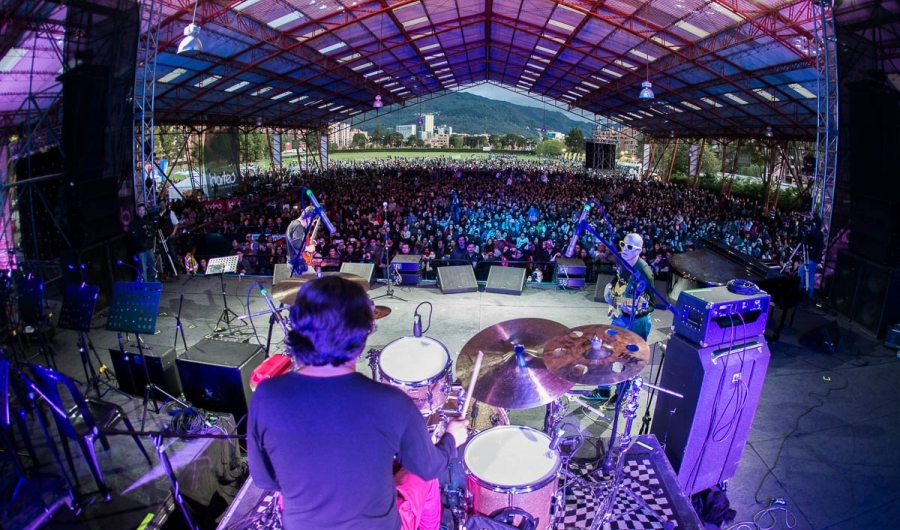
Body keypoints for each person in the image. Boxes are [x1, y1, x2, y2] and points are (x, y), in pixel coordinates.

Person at [248, 276, 469, 530]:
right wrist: (451, 438)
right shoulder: (392, 403)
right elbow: (430, 467)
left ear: (297, 328)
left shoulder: (266, 395)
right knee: (423, 477)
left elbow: (266, 479)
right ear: (364, 332)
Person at [589, 233, 655, 409]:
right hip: (620, 317)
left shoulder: (644, 273)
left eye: (630, 247)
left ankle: (621, 395)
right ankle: (603, 390)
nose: (624, 249)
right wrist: (609, 290)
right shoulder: (623, 262)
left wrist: (633, 307)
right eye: (623, 244)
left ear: (639, 251)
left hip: (638, 322)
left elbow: (651, 304)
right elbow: (616, 282)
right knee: (606, 351)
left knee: (629, 360)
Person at [285, 205, 316, 276]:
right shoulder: (298, 226)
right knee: (315, 282)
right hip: (297, 264)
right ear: (309, 218)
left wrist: (308, 242)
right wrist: (309, 248)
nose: (312, 224)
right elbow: (297, 245)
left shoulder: (294, 223)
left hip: (294, 262)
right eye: (313, 221)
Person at [129, 203, 156, 282]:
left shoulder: (148, 220)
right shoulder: (134, 222)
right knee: (143, 270)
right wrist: (142, 230)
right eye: (140, 210)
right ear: (137, 211)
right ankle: (145, 288)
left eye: (143, 210)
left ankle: (153, 285)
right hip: (141, 249)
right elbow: (133, 236)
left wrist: (149, 231)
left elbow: (153, 232)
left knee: (152, 268)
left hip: (149, 247)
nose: (141, 212)